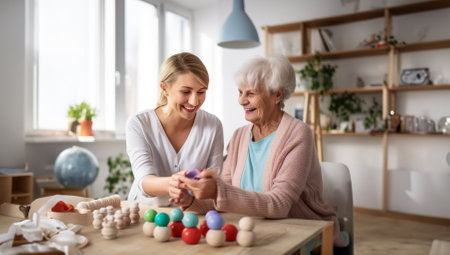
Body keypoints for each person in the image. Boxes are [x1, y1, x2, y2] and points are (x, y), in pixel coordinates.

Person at [169, 55, 348, 250]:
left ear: (277, 95)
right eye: (240, 92)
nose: (242, 101)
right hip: (255, 230)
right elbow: (223, 200)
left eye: (251, 93)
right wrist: (192, 200)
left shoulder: (298, 134)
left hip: (301, 231)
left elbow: (280, 204)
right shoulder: (238, 137)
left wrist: (218, 190)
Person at [126, 52, 224, 207]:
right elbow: (144, 180)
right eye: (186, 92)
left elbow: (214, 182)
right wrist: (173, 184)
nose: (194, 101)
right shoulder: (139, 123)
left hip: (193, 215)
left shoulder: (213, 125)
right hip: (145, 213)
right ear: (164, 88)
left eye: (201, 92)